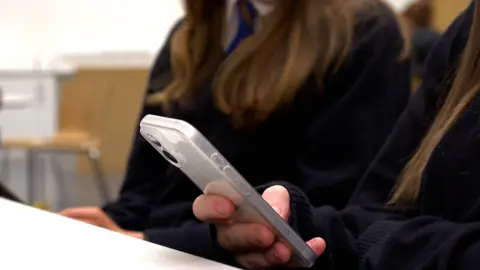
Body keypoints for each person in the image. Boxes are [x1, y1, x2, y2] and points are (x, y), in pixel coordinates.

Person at [60, 0, 410, 259]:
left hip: (233, 256)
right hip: (161, 249)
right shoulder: (191, 34)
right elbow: (143, 190)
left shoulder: (361, 32)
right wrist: (105, 228)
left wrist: (145, 239)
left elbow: (325, 215)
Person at [193, 2, 480, 269]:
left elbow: (359, 220)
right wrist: (294, 217)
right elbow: (373, 209)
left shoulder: (365, 32)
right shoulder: (468, 31)